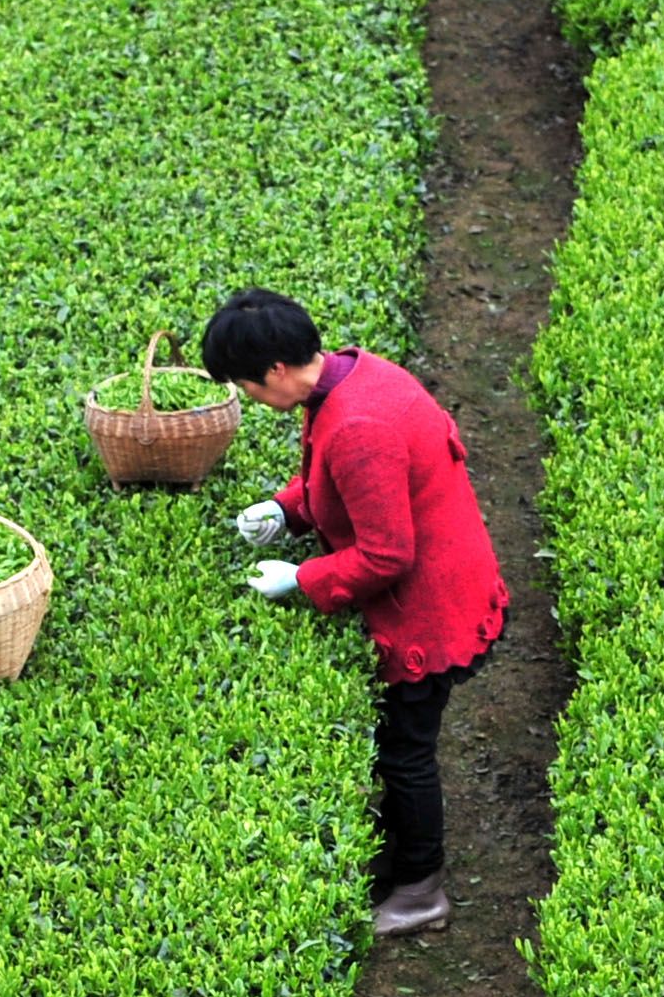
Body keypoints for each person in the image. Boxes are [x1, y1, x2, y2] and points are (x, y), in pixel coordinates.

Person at [207, 287, 507, 942]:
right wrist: (285, 510)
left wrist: (301, 580)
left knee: (405, 752)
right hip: (450, 575)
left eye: (249, 389)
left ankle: (422, 889)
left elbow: (385, 555)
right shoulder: (348, 376)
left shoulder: (357, 424)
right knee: (400, 746)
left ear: (278, 371)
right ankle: (402, 859)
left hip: (430, 611)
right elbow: (333, 482)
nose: (254, 401)